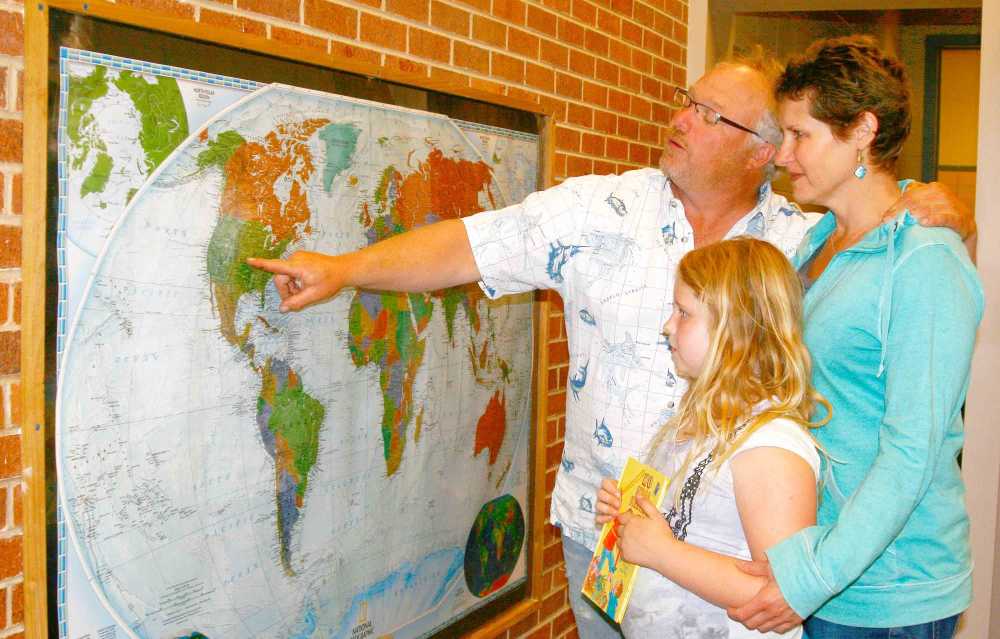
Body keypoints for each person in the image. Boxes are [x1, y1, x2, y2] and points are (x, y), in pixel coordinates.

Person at [247, 56, 974, 639]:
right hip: (608, 531)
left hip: (739, 559)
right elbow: (473, 245)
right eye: (686, 102)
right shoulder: (600, 210)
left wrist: (942, 209)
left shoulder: (798, 240)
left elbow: (890, 241)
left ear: (761, 152)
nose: (678, 119)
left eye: (707, 114)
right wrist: (345, 269)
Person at [725, 36, 983, 639]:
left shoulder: (923, 260)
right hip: (818, 560)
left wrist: (812, 577)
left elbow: (912, 452)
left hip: (887, 589)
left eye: (800, 135)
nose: (782, 155)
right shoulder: (818, 242)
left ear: (862, 130)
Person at [593, 237, 826, 639]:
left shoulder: (771, 448)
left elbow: (781, 597)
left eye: (684, 313)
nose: (668, 326)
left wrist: (663, 552)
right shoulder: (699, 419)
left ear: (736, 330)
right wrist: (628, 518)